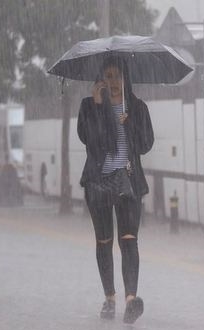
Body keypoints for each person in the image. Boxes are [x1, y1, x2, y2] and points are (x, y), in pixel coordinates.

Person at [77, 56, 154, 324]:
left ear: (125, 78)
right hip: (98, 181)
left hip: (128, 181)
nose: (113, 82)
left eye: (117, 76)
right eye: (107, 77)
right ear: (100, 80)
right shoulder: (88, 106)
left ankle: (131, 299)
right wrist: (100, 109)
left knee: (129, 239)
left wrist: (127, 124)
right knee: (104, 241)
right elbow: (89, 140)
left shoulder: (137, 107)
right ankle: (109, 297)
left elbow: (146, 144)